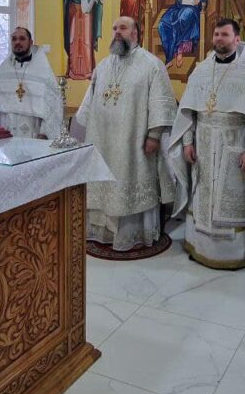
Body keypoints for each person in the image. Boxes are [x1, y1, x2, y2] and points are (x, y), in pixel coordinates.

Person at [169, 20, 245, 269]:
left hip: (234, 143)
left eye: (225, 34)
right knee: (203, 195)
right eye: (216, 34)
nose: (219, 39)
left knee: (232, 199)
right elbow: (188, 111)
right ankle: (200, 246)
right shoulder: (202, 70)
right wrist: (187, 142)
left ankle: (234, 254)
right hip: (203, 142)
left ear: (237, 39)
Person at [75, 16, 176, 252]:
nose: (117, 32)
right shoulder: (103, 65)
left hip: (134, 142)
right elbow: (89, 104)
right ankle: (102, 232)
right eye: (114, 28)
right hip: (102, 140)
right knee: (103, 183)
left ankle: (133, 234)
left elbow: (161, 103)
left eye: (123, 27)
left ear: (135, 33)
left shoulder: (151, 65)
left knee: (129, 180)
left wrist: (154, 135)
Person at [0, 27, 61, 139]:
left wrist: (44, 133)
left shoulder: (43, 71)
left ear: (31, 42)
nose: (17, 42)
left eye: (22, 39)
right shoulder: (3, 71)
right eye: (14, 39)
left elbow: (53, 104)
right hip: (7, 134)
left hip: (34, 135)